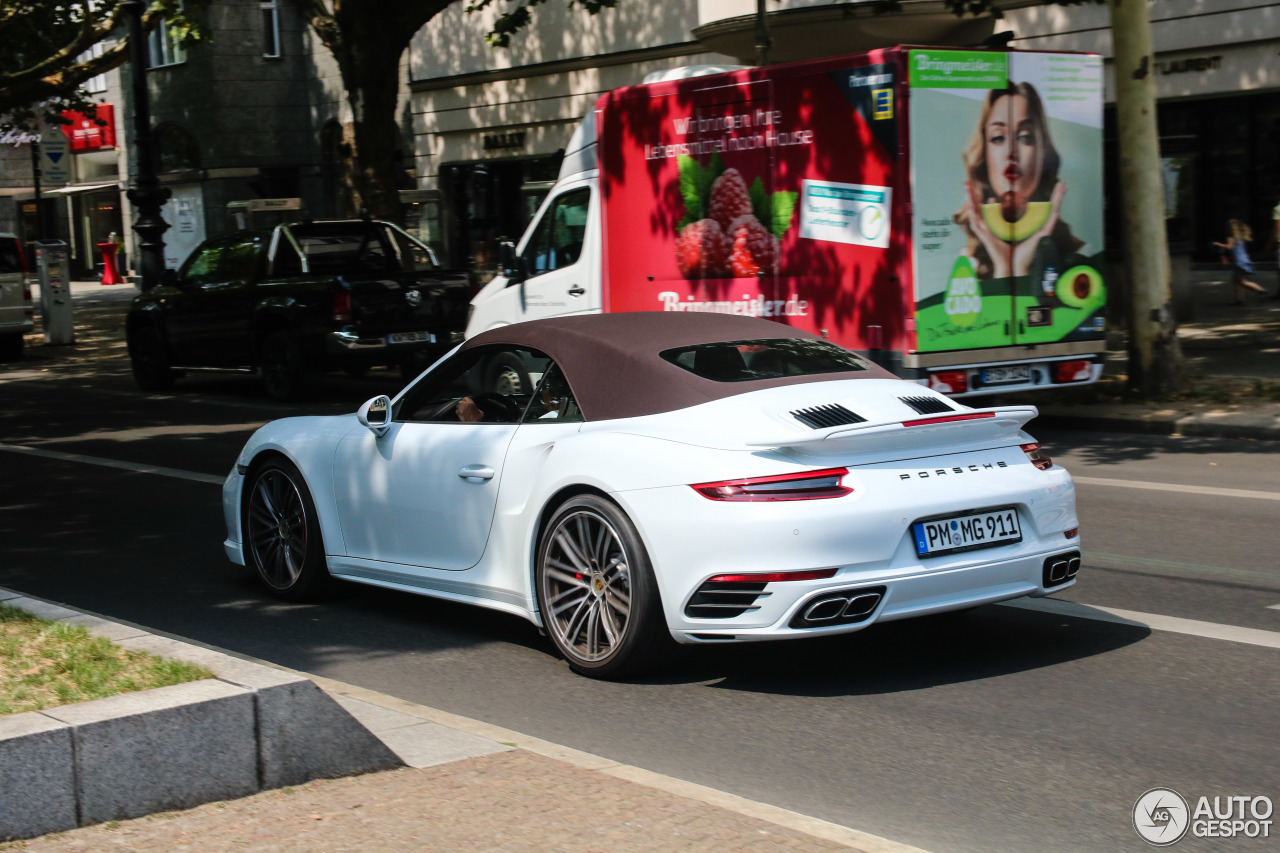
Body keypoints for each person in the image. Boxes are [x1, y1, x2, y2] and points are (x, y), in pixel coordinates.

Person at [953, 82, 1085, 281]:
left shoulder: (1081, 254)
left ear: (1043, 154)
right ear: (984, 155)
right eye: (998, 138)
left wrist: (1020, 266)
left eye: (1025, 137)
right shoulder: (968, 263)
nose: (1011, 152)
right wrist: (1003, 266)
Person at [1213, 219, 1267, 304]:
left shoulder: (1231, 238)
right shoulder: (1240, 238)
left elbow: (1229, 247)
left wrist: (1218, 244)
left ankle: (1260, 290)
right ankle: (1239, 299)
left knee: (1241, 281)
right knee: (1237, 280)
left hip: (1240, 263)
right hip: (1244, 261)